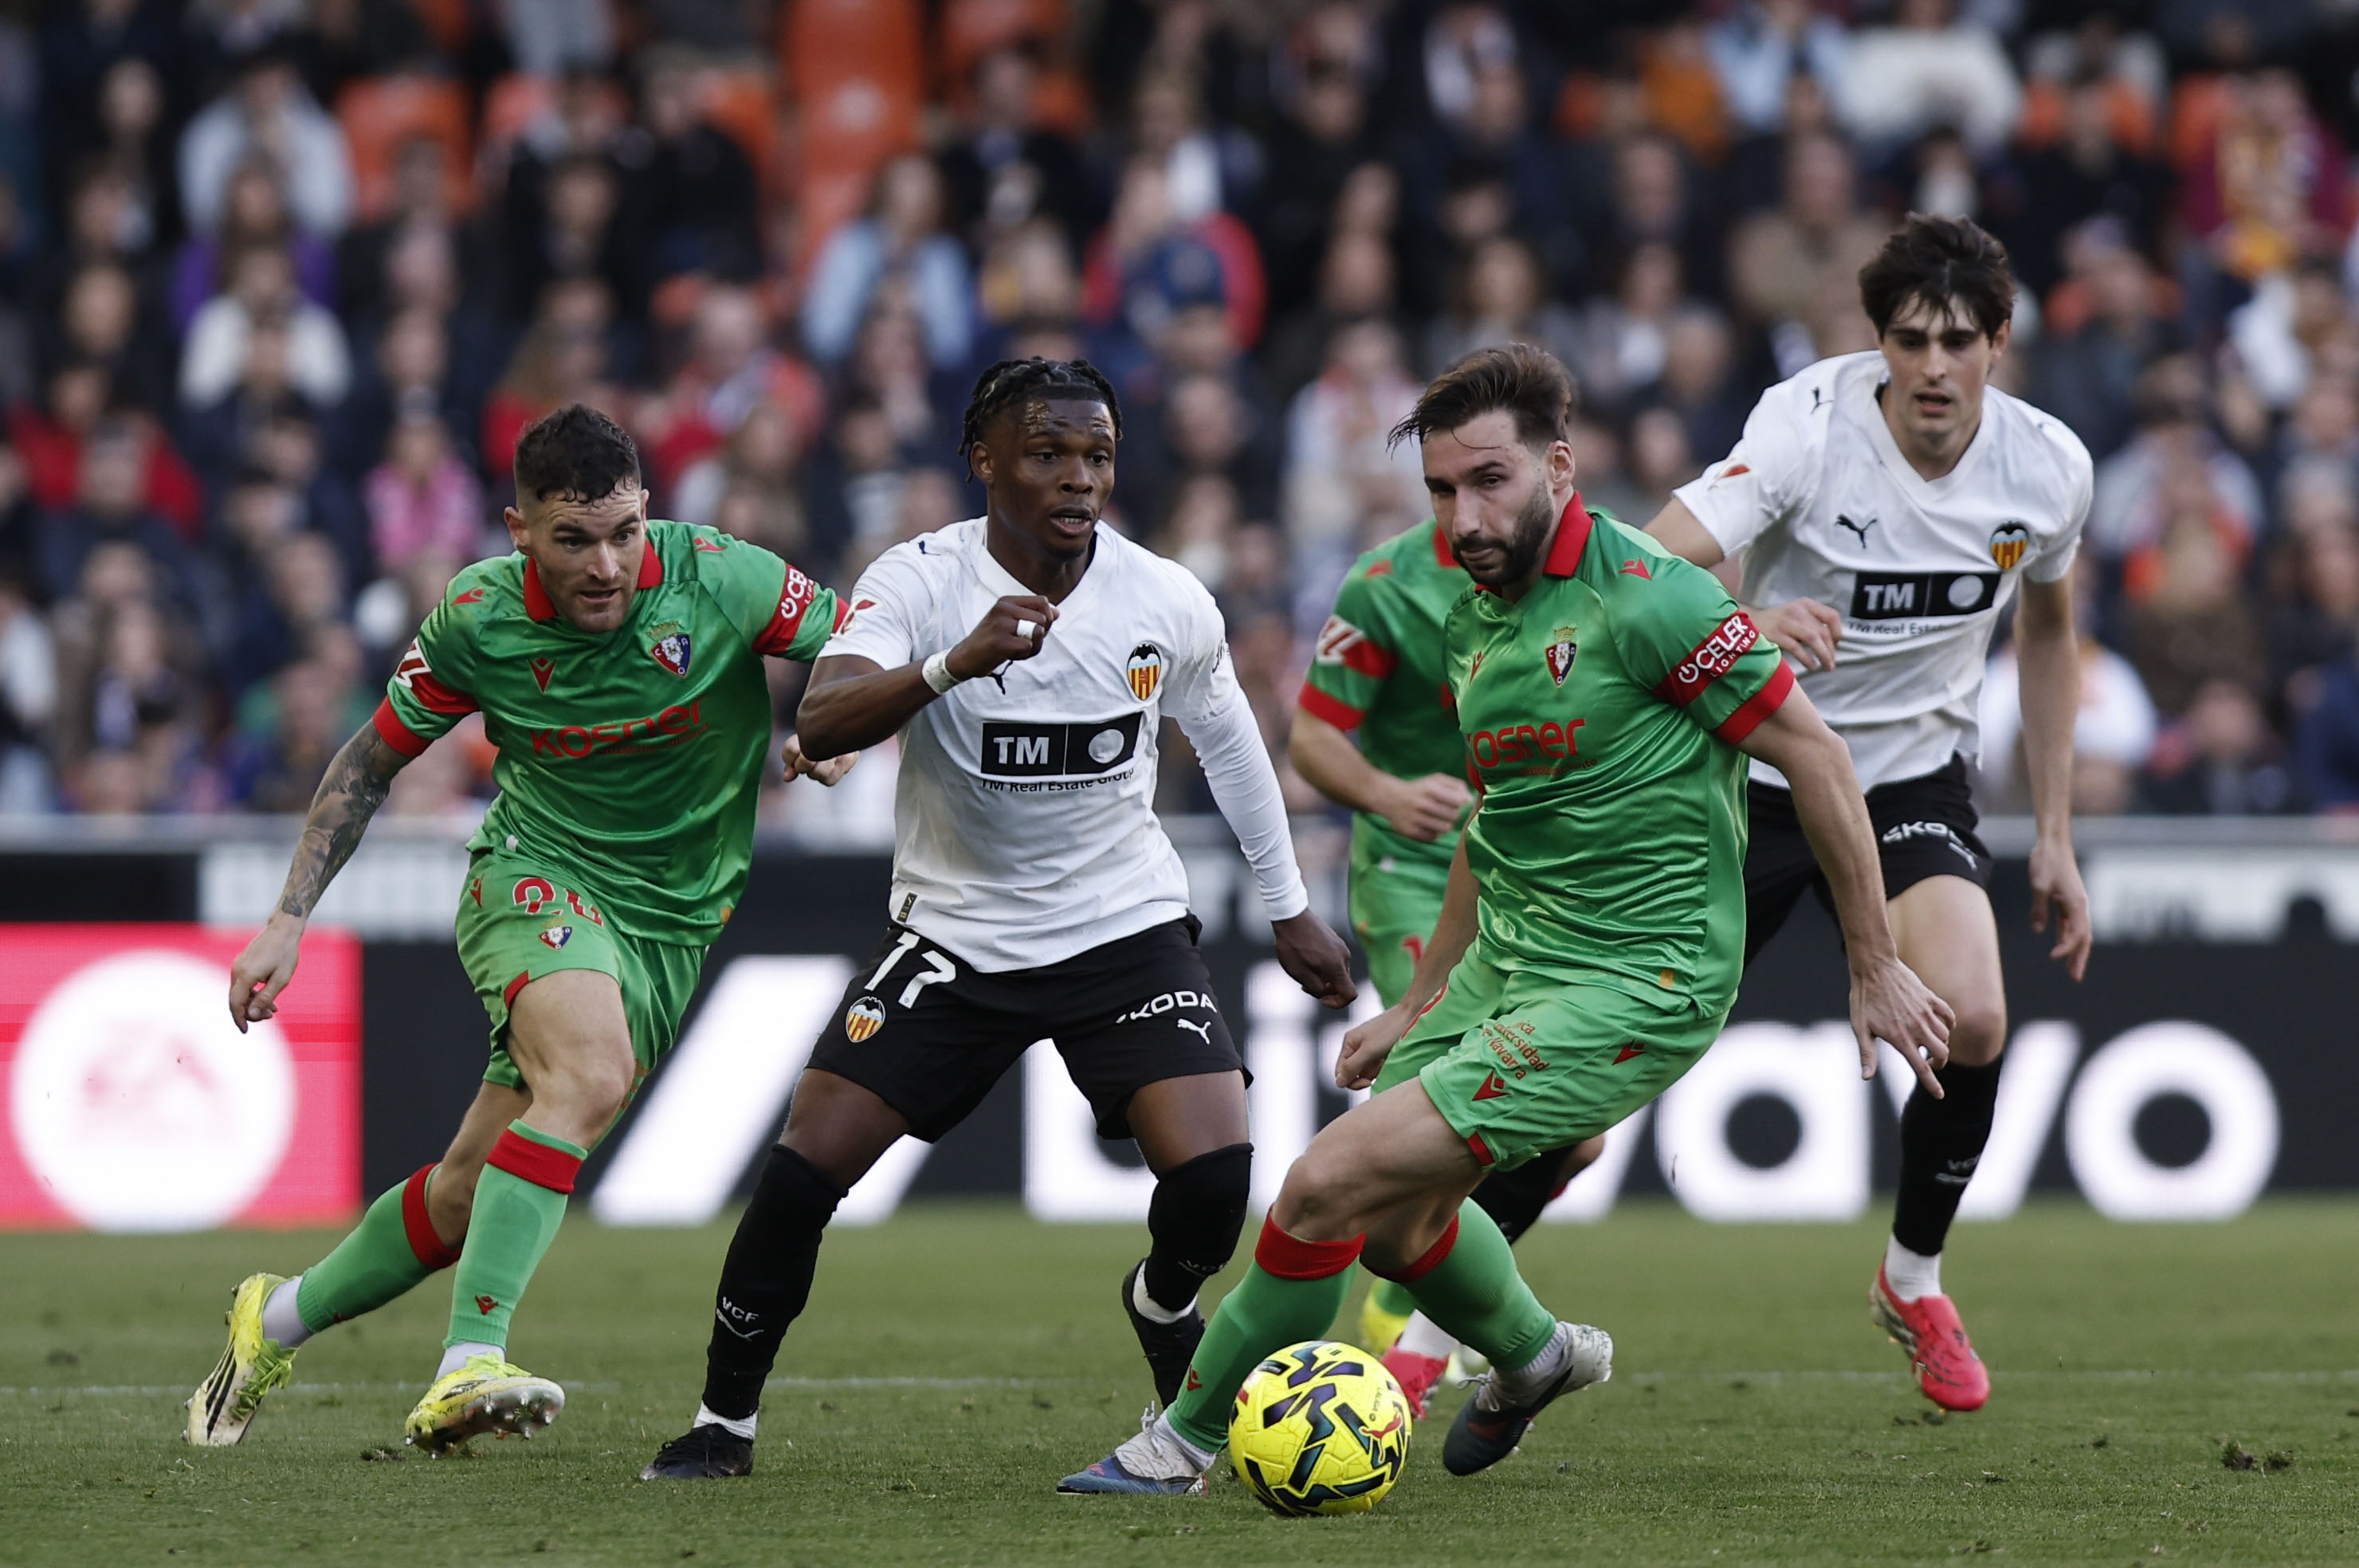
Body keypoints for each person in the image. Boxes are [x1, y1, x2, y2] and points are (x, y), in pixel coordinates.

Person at [1062, 343, 1953, 1495]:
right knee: (1392, 1226)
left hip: (1644, 979)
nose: (1464, 517)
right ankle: (1536, 1360)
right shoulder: (1473, 621)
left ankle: (1177, 1442)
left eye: (1488, 481)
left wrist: (1873, 961)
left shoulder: (1653, 599)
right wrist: (1423, 1001)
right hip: (1507, 964)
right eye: (1442, 490)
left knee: (1324, 1186)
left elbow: (1821, 761)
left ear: (1560, 469)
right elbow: (1497, 820)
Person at [638, 358, 1356, 1482]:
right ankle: (724, 1422)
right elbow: (822, 719)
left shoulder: (1163, 598)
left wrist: (1290, 909)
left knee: (1217, 1179)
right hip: (957, 937)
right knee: (802, 1171)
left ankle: (1163, 1301)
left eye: (1098, 456)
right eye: (1049, 454)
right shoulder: (918, 582)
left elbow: (1228, 745)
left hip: (1121, 929)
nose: (1079, 480)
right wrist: (951, 663)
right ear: (984, 461)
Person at [185, 406, 851, 1452]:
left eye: (626, 533)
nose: (607, 565)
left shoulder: (723, 576)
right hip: (534, 880)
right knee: (587, 1079)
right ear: (518, 529)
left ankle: (269, 1319)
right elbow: (370, 762)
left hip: (668, 928)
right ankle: (467, 1365)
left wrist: (834, 714)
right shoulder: (474, 619)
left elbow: (860, 642)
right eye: (575, 539)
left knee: (463, 1196)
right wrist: (286, 919)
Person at [1643, 214, 2094, 1413]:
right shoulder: (1807, 429)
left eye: (1959, 341)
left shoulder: (2047, 470)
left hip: (1909, 779)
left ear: (2000, 341)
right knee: (1614, 1068)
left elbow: (2049, 636)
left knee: (1979, 1020)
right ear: (1877, 342)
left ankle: (1913, 1277)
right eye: (1910, 341)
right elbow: (1650, 565)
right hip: (1755, 770)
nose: (1934, 367)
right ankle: (1436, 1319)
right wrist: (1741, 629)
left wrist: (2052, 831)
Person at [1290, 508, 1603, 1415]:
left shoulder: (1581, 573)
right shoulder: (1383, 587)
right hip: (1417, 873)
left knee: (1575, 1140)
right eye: (1450, 481)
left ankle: (1412, 1323)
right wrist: (1387, 792)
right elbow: (1311, 739)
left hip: (1532, 868)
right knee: (1441, 1101)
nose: (1471, 504)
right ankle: (1392, 1340)